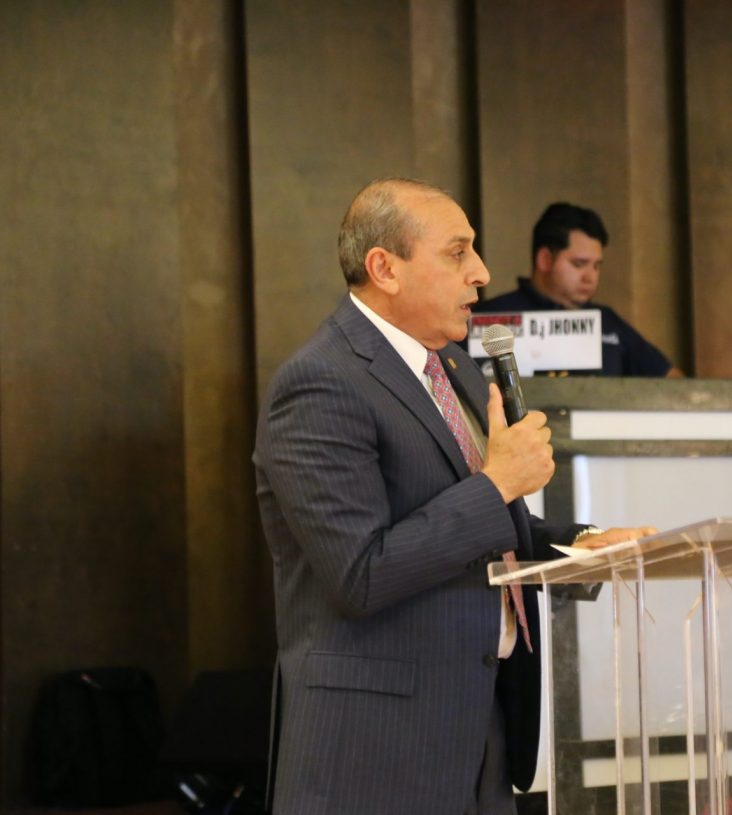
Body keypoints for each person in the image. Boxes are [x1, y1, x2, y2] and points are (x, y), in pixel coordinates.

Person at [253, 178, 653, 815]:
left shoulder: (454, 366)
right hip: (375, 749)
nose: (482, 273)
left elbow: (476, 529)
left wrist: (581, 545)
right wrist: (500, 482)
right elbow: (360, 574)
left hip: (480, 730)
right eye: (458, 252)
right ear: (385, 268)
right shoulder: (320, 383)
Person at [473, 202, 684, 377]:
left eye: (596, 266)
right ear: (545, 259)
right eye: (579, 264)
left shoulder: (607, 322)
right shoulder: (488, 320)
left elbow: (674, 383)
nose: (590, 277)